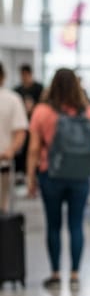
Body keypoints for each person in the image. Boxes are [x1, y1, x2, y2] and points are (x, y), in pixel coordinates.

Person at [26, 68, 90, 290]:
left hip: (51, 174)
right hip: (80, 175)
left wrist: (31, 179)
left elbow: (33, 149)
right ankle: (75, 275)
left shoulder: (42, 111)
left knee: (53, 226)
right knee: (76, 225)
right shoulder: (89, 112)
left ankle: (55, 274)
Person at [0, 63, 28, 211]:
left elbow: (20, 131)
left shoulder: (12, 99)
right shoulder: (13, 99)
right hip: (3, 162)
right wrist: (10, 151)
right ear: (3, 77)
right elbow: (20, 132)